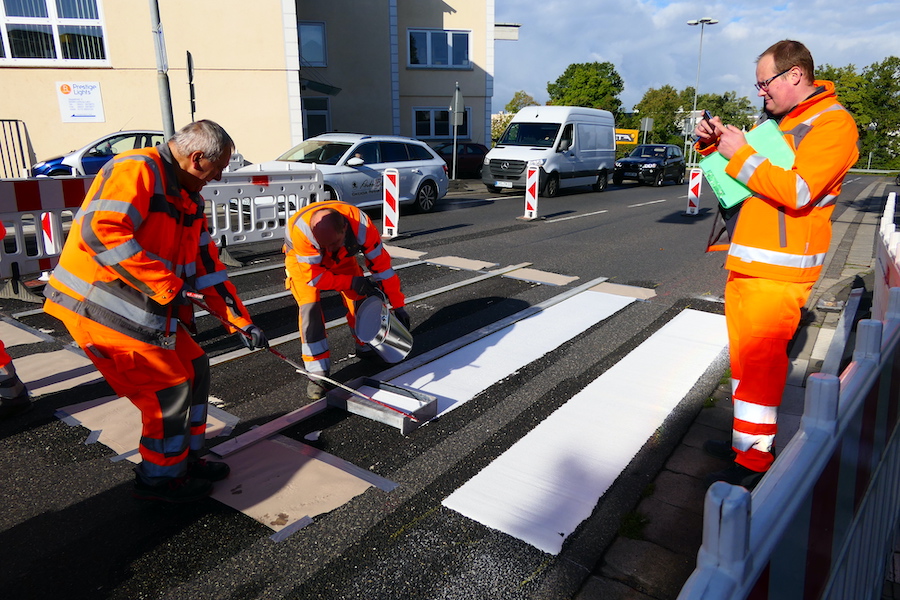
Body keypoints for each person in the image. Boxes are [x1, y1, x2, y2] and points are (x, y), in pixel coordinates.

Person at [43, 120, 268, 503]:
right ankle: (159, 481)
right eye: (215, 171)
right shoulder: (137, 169)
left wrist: (240, 322)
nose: (215, 180)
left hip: (140, 308)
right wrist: (169, 286)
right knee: (167, 389)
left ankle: (186, 457)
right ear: (196, 159)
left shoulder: (188, 198)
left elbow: (206, 266)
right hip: (100, 307)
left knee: (195, 366)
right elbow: (101, 232)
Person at [695, 40, 859, 489]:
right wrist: (714, 150)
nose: (760, 92)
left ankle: (754, 462)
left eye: (764, 83)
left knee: (762, 364)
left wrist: (741, 153)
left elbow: (799, 191)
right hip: (751, 262)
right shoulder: (784, 122)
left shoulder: (833, 123)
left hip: (780, 268)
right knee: (747, 364)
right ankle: (744, 444)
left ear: (794, 75)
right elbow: (747, 186)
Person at [283, 201, 409, 400]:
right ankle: (317, 373)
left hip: (343, 260)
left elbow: (382, 268)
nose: (329, 248)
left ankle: (365, 345)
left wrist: (398, 305)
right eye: (325, 245)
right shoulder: (302, 231)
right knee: (310, 310)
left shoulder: (363, 226)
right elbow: (315, 278)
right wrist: (351, 281)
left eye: (333, 242)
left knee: (359, 300)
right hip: (304, 265)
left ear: (345, 228)